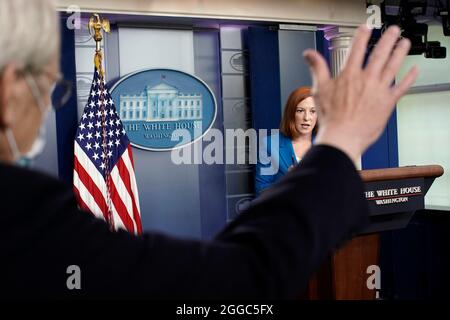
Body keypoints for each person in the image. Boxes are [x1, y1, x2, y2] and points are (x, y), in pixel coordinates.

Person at [0, 0, 418, 299]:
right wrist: (341, 144)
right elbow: (233, 282)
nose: (43, 110)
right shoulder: (22, 214)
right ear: (10, 88)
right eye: (50, 91)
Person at [255, 86, 318, 195]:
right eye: (300, 111)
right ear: (291, 113)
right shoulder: (270, 145)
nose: (307, 117)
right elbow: (261, 191)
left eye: (313, 111)